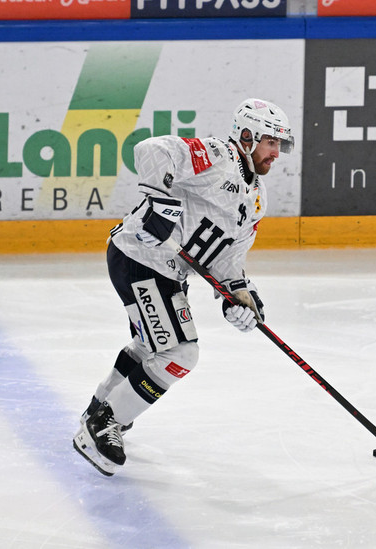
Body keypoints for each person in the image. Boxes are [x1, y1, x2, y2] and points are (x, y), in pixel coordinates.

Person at [73, 98, 294, 476]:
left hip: (165, 270)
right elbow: (151, 150)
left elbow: (227, 258)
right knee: (179, 353)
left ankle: (100, 408)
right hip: (141, 257)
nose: (277, 152)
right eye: (271, 142)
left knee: (150, 347)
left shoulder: (257, 197)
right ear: (247, 136)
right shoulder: (217, 155)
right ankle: (102, 426)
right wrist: (159, 201)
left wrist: (238, 294)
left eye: (280, 144)